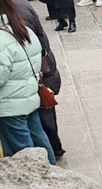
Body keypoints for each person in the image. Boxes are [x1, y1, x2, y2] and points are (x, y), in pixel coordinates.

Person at [0, 0, 56, 164]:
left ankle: (41, 185)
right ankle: (54, 175)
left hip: (11, 107)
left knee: (24, 156)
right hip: (29, 99)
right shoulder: (23, 30)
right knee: (41, 144)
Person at [14, 0, 64, 159]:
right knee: (44, 117)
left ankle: (52, 152)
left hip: (38, 74)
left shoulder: (16, 16)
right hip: (43, 70)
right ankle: (54, 150)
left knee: (41, 119)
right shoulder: (22, 5)